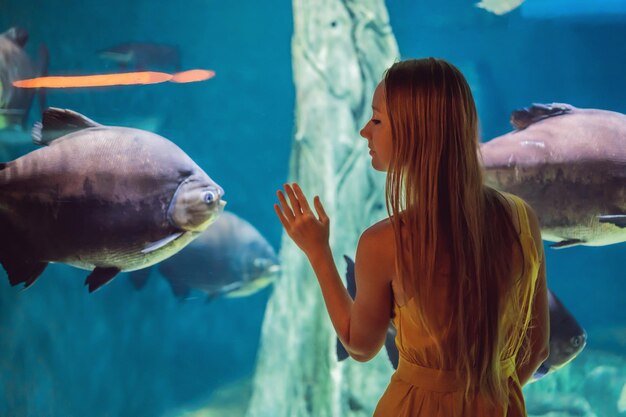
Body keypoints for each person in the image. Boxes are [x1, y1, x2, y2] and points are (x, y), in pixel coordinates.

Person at [274, 58, 549, 416]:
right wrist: (489, 394)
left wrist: (318, 253)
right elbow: (538, 347)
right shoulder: (521, 218)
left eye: (376, 120)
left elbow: (360, 345)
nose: (364, 132)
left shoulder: (383, 243)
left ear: (415, 133)